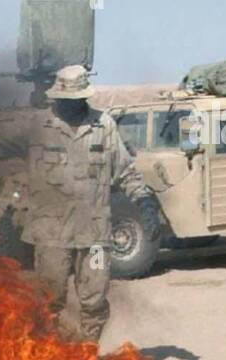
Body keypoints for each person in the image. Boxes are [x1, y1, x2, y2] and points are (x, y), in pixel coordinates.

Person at [22, 64, 158, 343]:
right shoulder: (38, 125)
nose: (68, 105)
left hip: (94, 235)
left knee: (95, 300)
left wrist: (144, 202)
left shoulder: (103, 125)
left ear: (84, 97)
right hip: (51, 235)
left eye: (73, 100)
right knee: (48, 300)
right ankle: (49, 356)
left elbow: (125, 170)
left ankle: (87, 355)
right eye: (63, 100)